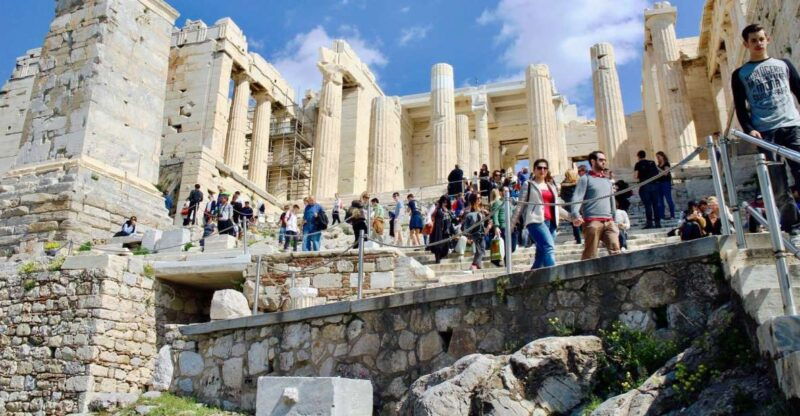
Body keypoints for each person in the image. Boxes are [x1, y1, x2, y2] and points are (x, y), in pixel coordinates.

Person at [733, 23, 800, 244]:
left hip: (792, 125)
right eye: (753, 41)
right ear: (746, 44)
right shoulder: (740, 74)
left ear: (768, 39)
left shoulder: (784, 64)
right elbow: (740, 108)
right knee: (778, 183)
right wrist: (749, 129)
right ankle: (792, 226)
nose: (758, 44)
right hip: (764, 131)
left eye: (761, 39)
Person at [511, 159, 563, 269]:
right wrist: (511, 225)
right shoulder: (528, 184)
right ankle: (556, 278)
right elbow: (520, 205)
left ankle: (530, 280)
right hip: (536, 221)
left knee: (541, 255)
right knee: (549, 247)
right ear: (534, 170)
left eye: (545, 168)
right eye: (539, 168)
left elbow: (556, 207)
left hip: (551, 223)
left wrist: (572, 217)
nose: (542, 170)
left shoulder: (551, 186)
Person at [571, 151, 621, 260]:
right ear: (593, 161)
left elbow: (611, 200)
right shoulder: (585, 179)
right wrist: (575, 214)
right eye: (601, 160)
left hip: (609, 221)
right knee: (590, 255)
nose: (604, 162)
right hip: (592, 222)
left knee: (616, 251)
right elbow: (577, 197)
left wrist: (614, 220)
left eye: (604, 160)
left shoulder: (607, 181)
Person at [633, 150, 662, 229]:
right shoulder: (652, 162)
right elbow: (657, 173)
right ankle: (658, 223)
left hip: (645, 186)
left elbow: (635, 176)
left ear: (638, 156)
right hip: (654, 186)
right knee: (655, 205)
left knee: (648, 206)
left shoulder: (638, 164)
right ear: (645, 155)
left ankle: (649, 223)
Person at [462, 193, 486, 270]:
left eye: (480, 198)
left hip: (481, 234)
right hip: (473, 235)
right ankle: (474, 266)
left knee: (481, 251)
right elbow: (465, 227)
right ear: (473, 200)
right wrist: (468, 237)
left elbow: (482, 224)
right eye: (477, 198)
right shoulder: (468, 212)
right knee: (479, 251)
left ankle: (476, 266)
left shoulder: (481, 210)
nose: (479, 200)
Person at [428, 195, 454, 263]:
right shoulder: (436, 207)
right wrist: (429, 221)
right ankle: (437, 259)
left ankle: (440, 256)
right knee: (438, 246)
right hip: (438, 230)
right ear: (441, 201)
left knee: (446, 247)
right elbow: (429, 215)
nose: (445, 203)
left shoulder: (448, 210)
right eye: (444, 201)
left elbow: (451, 220)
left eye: (446, 202)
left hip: (446, 230)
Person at [560, 169, 582, 245]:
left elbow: (562, 196)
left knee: (574, 223)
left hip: (569, 205)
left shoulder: (563, 185)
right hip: (579, 204)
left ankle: (578, 239)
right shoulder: (579, 184)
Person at [656, 151, 676, 220]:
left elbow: (665, 173)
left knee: (668, 199)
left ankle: (672, 215)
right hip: (659, 184)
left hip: (666, 183)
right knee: (660, 201)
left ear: (662, 156)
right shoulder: (658, 165)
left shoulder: (666, 163)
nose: (657, 158)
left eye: (658, 157)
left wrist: (657, 168)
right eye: (657, 157)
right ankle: (662, 216)